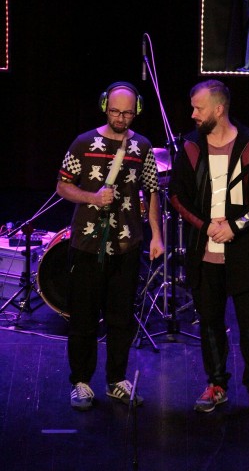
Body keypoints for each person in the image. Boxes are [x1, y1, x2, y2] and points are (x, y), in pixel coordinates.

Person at [168, 79, 249, 416]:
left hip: (245, 252)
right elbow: (176, 196)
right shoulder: (190, 147)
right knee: (209, 322)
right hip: (204, 254)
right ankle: (216, 384)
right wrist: (206, 227)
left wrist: (235, 225)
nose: (193, 114)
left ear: (218, 109)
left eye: (198, 108)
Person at [56, 81, 164, 411]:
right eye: (115, 111)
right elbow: (62, 185)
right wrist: (92, 197)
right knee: (84, 317)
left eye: (127, 113)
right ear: (105, 106)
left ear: (137, 111)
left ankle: (116, 379)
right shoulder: (83, 143)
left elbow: (152, 191)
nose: (121, 118)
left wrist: (156, 235)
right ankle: (81, 381)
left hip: (127, 243)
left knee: (121, 318)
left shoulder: (142, 147)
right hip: (88, 244)